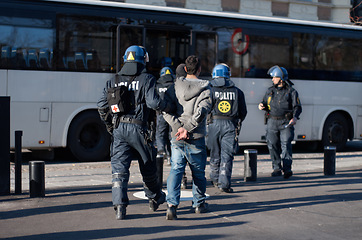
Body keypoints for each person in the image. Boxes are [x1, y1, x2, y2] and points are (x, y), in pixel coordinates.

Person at [97, 45, 172, 220]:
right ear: (143, 59)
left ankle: (119, 206)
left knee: (119, 169)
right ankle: (155, 198)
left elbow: (101, 106)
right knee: (148, 165)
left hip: (119, 129)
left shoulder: (113, 80)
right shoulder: (147, 79)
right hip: (139, 129)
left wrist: (111, 126)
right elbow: (153, 104)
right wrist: (167, 106)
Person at [163, 55, 212, 220]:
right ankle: (198, 204)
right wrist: (188, 129)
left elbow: (165, 110)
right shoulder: (205, 89)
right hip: (196, 137)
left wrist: (178, 128)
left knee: (176, 170)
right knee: (198, 173)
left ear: (185, 69)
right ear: (199, 70)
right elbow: (202, 111)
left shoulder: (174, 87)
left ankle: (171, 206)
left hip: (177, 137)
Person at [207, 63, 247, 193]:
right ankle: (224, 183)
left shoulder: (210, 89)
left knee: (214, 152)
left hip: (213, 124)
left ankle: (214, 178)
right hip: (230, 125)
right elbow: (243, 112)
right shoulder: (237, 91)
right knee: (227, 155)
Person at [258, 65, 302, 179]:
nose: (272, 79)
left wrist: (295, 117)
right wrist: (262, 106)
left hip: (286, 122)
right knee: (272, 145)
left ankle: (287, 169)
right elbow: (264, 102)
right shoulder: (270, 91)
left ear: (281, 79)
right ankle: (276, 168)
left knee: (286, 144)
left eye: (274, 77)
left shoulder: (291, 91)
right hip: (272, 121)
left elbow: (297, 107)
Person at [155, 67, 174, 164]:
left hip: (161, 113)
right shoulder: (174, 85)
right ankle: (171, 156)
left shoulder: (158, 85)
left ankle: (160, 153)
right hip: (172, 114)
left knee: (160, 133)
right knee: (171, 134)